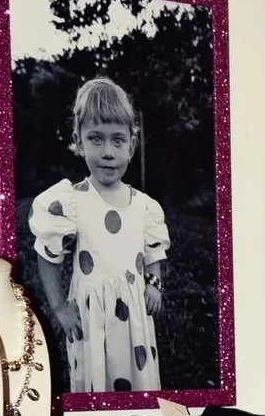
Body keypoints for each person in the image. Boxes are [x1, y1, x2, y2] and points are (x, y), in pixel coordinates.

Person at [30, 77, 169, 395]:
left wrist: (154, 284)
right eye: (96, 139)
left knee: (138, 380)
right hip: (92, 317)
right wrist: (59, 307)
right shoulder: (70, 202)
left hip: (134, 317)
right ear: (78, 142)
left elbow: (153, 251)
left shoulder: (145, 207)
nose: (108, 152)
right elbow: (48, 256)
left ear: (131, 146)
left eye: (118, 141)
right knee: (97, 381)